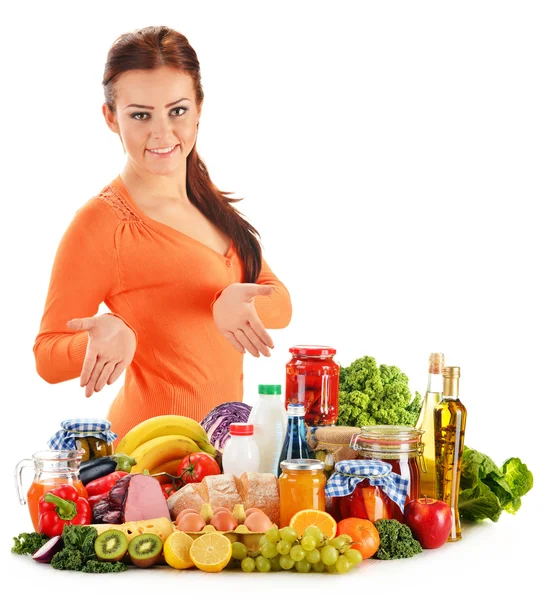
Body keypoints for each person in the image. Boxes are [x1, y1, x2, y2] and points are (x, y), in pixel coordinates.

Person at [33, 26, 292, 441]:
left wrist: (233, 302)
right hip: (147, 459)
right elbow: (46, 355)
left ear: (200, 107)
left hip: (221, 451)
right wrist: (112, 337)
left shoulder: (208, 203)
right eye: (140, 115)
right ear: (110, 117)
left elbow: (279, 300)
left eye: (177, 111)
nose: (161, 133)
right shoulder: (101, 225)